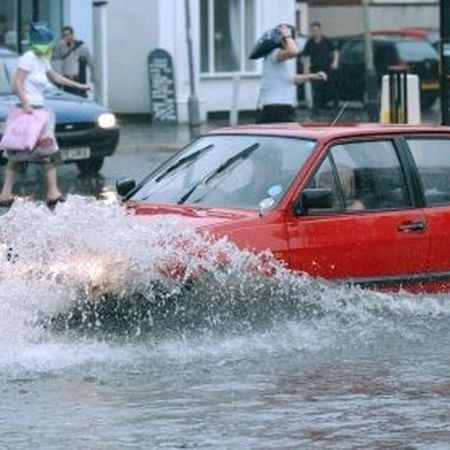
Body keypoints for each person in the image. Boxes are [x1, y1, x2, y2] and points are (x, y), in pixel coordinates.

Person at [0, 22, 90, 208]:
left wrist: (79, 86)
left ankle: (51, 191)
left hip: (39, 112)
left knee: (45, 151)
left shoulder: (42, 59)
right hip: (29, 112)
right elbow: (16, 83)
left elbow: (55, 77)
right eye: (46, 42)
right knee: (19, 152)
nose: (49, 46)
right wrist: (26, 104)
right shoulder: (28, 57)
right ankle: (10, 192)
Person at [257, 24, 327, 124]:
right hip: (275, 107)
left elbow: (291, 79)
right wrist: (287, 36)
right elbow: (294, 52)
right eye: (293, 40)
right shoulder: (274, 53)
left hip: (283, 106)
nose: (294, 43)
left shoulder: (280, 59)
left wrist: (313, 76)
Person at [302, 21, 339, 118]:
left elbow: (335, 51)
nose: (315, 32)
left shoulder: (326, 41)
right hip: (315, 69)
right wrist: (306, 68)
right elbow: (305, 56)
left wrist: (335, 62)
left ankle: (336, 109)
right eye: (313, 30)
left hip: (327, 68)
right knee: (316, 91)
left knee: (331, 88)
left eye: (316, 30)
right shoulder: (309, 42)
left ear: (320, 30)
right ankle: (315, 112)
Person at [52, 25, 94, 97]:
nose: (66, 37)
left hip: (76, 79)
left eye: (68, 35)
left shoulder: (81, 46)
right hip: (66, 80)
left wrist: (93, 75)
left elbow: (90, 61)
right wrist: (59, 46)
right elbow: (54, 58)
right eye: (64, 35)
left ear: (72, 35)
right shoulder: (61, 47)